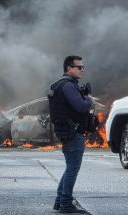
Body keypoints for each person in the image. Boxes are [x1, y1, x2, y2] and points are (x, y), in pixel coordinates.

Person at [48, 55, 93, 213]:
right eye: (79, 67)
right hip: (72, 132)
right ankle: (66, 203)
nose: (82, 69)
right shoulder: (67, 85)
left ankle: (59, 201)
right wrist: (89, 100)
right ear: (69, 68)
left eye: (82, 67)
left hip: (68, 130)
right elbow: (81, 107)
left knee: (70, 167)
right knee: (73, 168)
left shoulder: (60, 84)